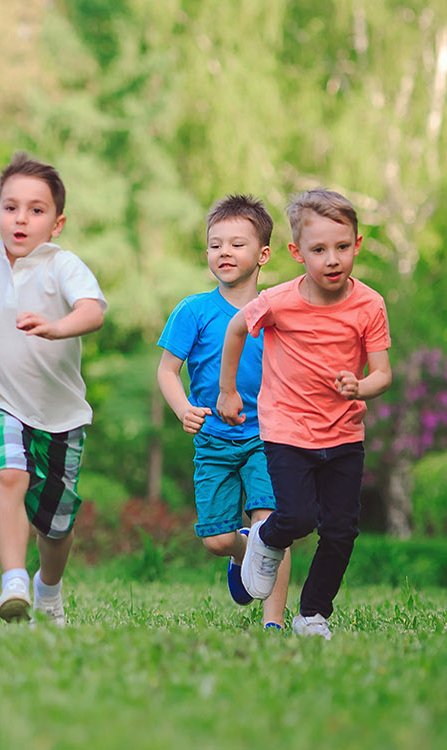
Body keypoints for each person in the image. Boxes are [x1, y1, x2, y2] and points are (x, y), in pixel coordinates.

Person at [0, 153, 106, 626]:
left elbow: (92, 311)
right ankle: (13, 579)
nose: (21, 219)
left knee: (56, 524)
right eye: (11, 207)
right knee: (9, 474)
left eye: (36, 210)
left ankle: (47, 589)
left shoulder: (64, 265)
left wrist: (56, 328)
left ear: (57, 223)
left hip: (61, 413)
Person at [221, 189, 391, 640]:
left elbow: (382, 374)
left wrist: (361, 386)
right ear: (298, 253)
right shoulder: (279, 301)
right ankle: (265, 538)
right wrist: (227, 391)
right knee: (296, 519)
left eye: (341, 247)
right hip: (287, 428)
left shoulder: (369, 305)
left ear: (357, 244)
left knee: (340, 531)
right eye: (319, 250)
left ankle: (312, 613)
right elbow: (237, 328)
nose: (332, 259)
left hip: (344, 435)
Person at [156, 195, 291, 629]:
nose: (224, 253)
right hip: (213, 438)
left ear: (263, 254)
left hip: (268, 435)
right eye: (215, 245)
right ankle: (243, 555)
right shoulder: (193, 310)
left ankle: (274, 621)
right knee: (215, 539)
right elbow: (167, 371)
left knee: (273, 527)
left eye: (237, 244)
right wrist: (182, 408)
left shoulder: (278, 311)